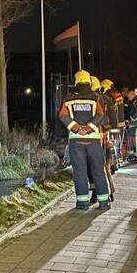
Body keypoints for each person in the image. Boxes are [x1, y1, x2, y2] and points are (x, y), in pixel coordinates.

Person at [58, 70, 111, 210]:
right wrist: (89, 128)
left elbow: (62, 115)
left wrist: (76, 128)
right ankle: (104, 202)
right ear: (88, 81)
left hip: (76, 140)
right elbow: (101, 114)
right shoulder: (96, 97)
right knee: (98, 170)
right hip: (93, 140)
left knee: (80, 171)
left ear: (76, 81)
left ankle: (82, 203)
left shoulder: (68, 98)